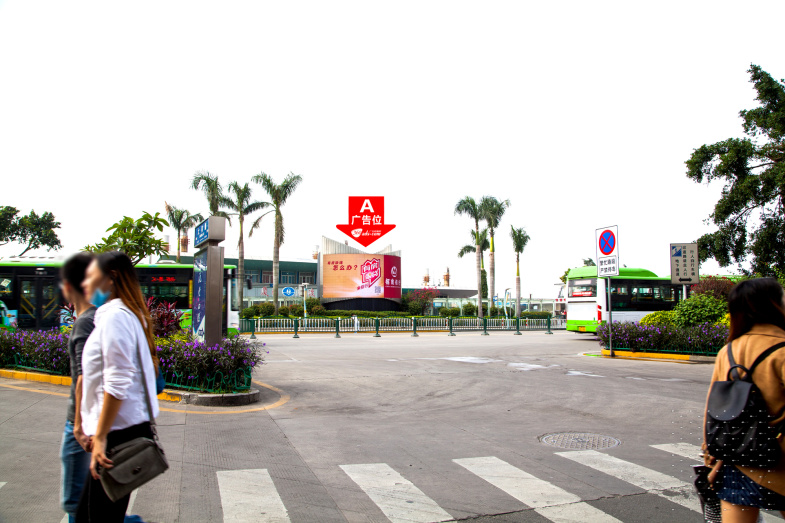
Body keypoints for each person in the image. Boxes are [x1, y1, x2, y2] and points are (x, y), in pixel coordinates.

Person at [76, 251, 160, 522]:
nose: (85, 284)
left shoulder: (117, 317)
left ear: (110, 278)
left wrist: (101, 437)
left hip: (118, 435)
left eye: (91, 276)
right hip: (117, 431)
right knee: (88, 515)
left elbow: (117, 380)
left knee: (98, 517)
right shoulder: (120, 315)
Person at [703, 278, 785, 522]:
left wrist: (709, 453)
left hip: (739, 460)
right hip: (780, 460)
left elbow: (713, 408)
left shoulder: (728, 350)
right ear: (775, 304)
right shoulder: (782, 348)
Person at [60, 253, 97, 523]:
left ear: (69, 287)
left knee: (74, 501)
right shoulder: (94, 317)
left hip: (80, 423)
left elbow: (84, 376)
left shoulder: (85, 321)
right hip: (89, 420)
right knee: (83, 500)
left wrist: (77, 426)